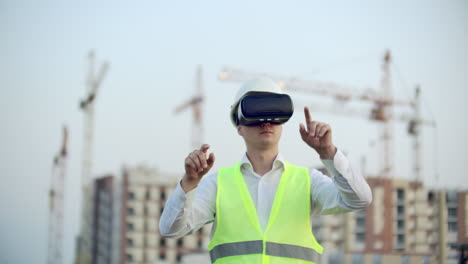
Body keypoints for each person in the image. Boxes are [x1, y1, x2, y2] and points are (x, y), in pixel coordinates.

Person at [160, 77, 372, 263]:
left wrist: (328, 152)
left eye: (272, 114)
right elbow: (171, 229)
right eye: (256, 114)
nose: (265, 122)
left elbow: (360, 199)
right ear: (239, 127)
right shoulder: (218, 184)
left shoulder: (308, 181)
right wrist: (189, 183)